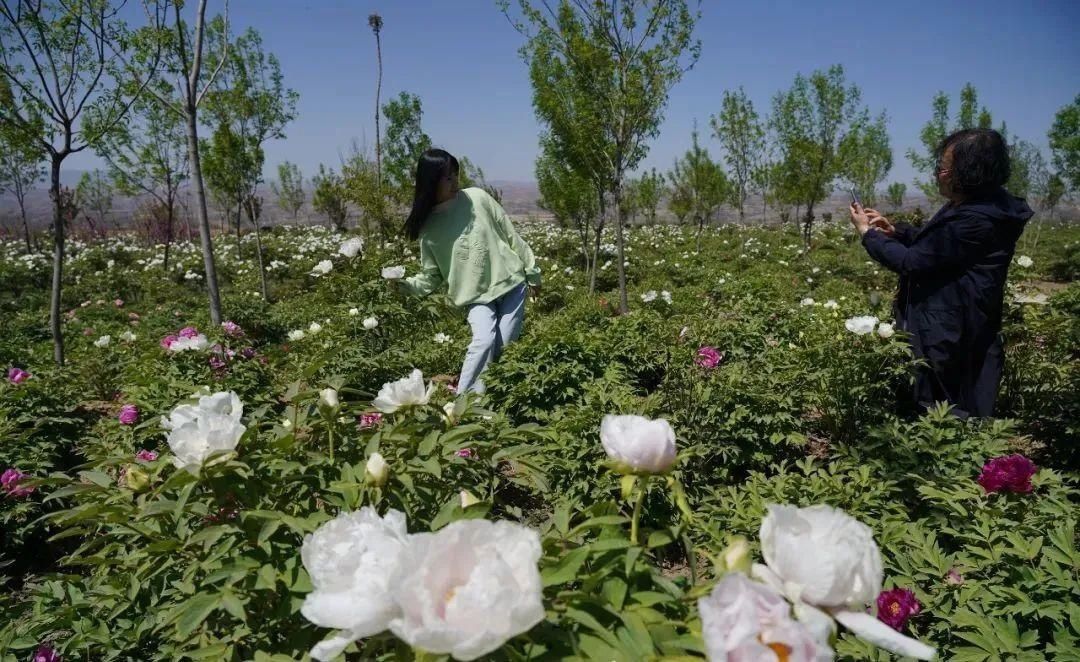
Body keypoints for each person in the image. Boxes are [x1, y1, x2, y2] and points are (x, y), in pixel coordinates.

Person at [849, 128, 1032, 418]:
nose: (938, 174)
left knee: (945, 408)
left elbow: (912, 262)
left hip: (950, 328)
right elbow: (942, 246)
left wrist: (867, 233)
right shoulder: (979, 205)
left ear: (968, 174)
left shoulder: (976, 219)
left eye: (943, 168)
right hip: (957, 319)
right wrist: (896, 231)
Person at [397, 148, 541, 394]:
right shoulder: (430, 229)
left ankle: (492, 400)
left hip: (511, 284)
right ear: (431, 182)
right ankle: (464, 403)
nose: (455, 182)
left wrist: (532, 272)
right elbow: (431, 277)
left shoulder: (477, 198)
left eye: (455, 175)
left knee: (503, 347)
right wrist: (401, 286)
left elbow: (510, 234)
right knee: (483, 341)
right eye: (448, 178)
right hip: (475, 297)